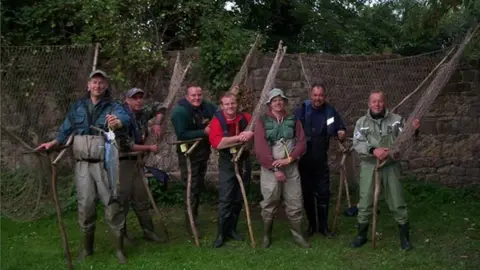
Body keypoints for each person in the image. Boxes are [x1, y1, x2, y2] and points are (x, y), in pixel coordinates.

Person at [36, 70, 131, 264]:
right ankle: (87, 249)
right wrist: (53, 143)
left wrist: (118, 122)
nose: (98, 86)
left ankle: (119, 249)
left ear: (105, 86)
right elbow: (65, 129)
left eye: (101, 83)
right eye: (94, 82)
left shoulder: (114, 106)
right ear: (88, 85)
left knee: (112, 205)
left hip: (105, 164)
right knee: (85, 206)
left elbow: (125, 119)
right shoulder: (77, 107)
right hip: (82, 166)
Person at [351, 90, 420, 251]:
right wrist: (373, 150)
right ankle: (361, 235)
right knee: (365, 201)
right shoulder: (361, 123)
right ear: (369, 104)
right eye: (374, 101)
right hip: (369, 165)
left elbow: (406, 138)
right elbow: (357, 142)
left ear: (385, 103)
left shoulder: (396, 120)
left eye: (380, 101)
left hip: (390, 166)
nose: (377, 104)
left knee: (397, 201)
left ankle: (405, 238)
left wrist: (414, 130)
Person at [254, 88, 310, 248]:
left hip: (290, 168)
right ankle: (266, 235)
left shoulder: (293, 120)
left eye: (280, 99)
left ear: (284, 102)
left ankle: (297, 235)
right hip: (270, 169)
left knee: (295, 201)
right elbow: (261, 148)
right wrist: (275, 169)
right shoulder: (262, 121)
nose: (278, 102)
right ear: (269, 104)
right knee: (270, 201)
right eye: (274, 100)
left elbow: (301, 142)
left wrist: (289, 159)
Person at [295, 83, 346, 237]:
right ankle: (311, 226)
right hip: (304, 159)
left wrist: (341, 132)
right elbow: (292, 130)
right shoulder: (302, 110)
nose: (318, 98)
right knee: (308, 194)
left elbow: (340, 128)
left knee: (323, 193)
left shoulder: (330, 111)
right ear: (311, 95)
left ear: (325, 96)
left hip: (321, 159)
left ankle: (324, 227)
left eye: (321, 95)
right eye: (315, 95)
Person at [116, 87, 167, 244]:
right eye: (135, 98)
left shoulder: (143, 112)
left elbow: (160, 106)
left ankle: (148, 231)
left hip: (137, 162)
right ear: (127, 100)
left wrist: (157, 123)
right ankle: (121, 235)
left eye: (140, 97)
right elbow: (126, 145)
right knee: (122, 200)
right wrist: (149, 148)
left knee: (141, 198)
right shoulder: (121, 117)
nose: (138, 100)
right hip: (122, 163)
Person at [208, 90, 253, 248]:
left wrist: (250, 134)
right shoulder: (217, 121)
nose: (230, 106)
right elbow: (217, 143)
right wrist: (239, 138)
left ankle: (232, 229)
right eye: (226, 104)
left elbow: (254, 132)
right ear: (222, 106)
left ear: (237, 104)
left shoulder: (246, 118)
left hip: (243, 160)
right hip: (227, 162)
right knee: (226, 198)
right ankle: (221, 233)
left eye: (232, 103)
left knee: (238, 198)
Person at [170, 84, 217, 235]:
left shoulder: (207, 106)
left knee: (198, 185)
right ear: (187, 96)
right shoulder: (180, 112)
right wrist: (204, 131)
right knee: (191, 186)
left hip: (203, 152)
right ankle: (189, 222)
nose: (197, 98)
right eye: (193, 95)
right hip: (188, 154)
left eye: (199, 95)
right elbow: (182, 134)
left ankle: (194, 217)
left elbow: (218, 115)